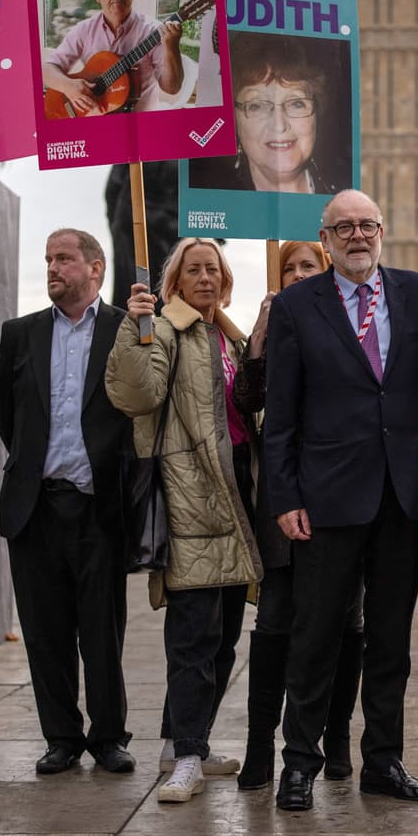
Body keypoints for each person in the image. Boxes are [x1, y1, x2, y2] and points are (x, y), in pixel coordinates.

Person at [261, 190, 418, 811]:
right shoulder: (294, 306)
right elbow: (279, 413)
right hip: (326, 498)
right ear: (326, 236)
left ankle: (383, 762)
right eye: (344, 227)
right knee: (315, 638)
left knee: (391, 639)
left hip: (401, 495)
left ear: (382, 231)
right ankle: (301, 763)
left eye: (367, 225)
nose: (357, 235)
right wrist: (282, 495)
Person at [106, 237, 263, 804]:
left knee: (221, 640)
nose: (204, 277)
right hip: (191, 499)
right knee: (193, 638)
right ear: (173, 280)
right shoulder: (165, 328)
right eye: (192, 269)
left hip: (235, 499)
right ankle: (188, 757)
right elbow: (135, 394)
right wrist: (135, 326)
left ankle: (182, 743)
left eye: (212, 269)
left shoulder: (230, 334)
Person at [0, 229, 135, 776]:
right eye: (48, 258)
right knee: (44, 631)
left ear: (95, 268)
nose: (53, 267)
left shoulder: (129, 329)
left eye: (65, 259)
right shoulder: (20, 334)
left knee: (102, 630)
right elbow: (8, 416)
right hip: (35, 507)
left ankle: (109, 737)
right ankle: (60, 737)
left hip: (100, 506)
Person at [234, 240, 366, 791]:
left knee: (344, 625)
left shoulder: (349, 326)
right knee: (274, 626)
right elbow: (247, 400)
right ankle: (261, 747)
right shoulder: (268, 329)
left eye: (308, 266)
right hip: (285, 504)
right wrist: (263, 332)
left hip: (340, 500)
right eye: (289, 268)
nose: (297, 275)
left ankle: (334, 740)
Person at [191, 36, 337, 193]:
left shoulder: (347, 196)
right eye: (256, 106)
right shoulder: (208, 199)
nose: (279, 125)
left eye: (296, 103)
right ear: (234, 120)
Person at [43, 0, 184, 114]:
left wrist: (172, 47)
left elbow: (172, 88)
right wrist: (68, 87)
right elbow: (47, 69)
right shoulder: (84, 30)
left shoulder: (153, 31)